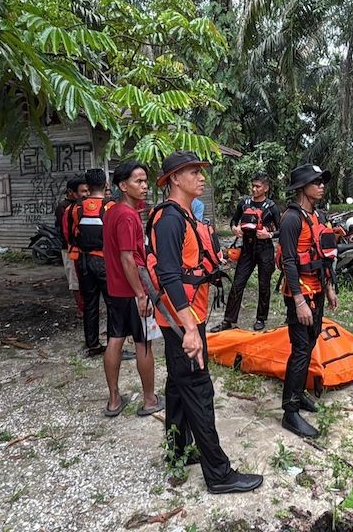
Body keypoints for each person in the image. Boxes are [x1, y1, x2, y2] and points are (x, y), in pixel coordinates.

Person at [148, 151, 262, 494]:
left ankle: (178, 449)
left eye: (201, 171)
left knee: (179, 385)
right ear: (174, 179)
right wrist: (190, 330)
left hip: (186, 318)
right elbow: (168, 274)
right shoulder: (170, 219)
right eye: (194, 172)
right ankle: (219, 474)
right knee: (199, 389)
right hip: (183, 321)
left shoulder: (183, 216)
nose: (201, 177)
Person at [278, 164, 338, 439]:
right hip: (299, 294)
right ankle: (289, 412)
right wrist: (300, 301)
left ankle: (298, 394)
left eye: (322, 181)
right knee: (301, 348)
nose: (321, 186)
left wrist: (329, 289)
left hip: (317, 290)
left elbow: (323, 257)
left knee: (311, 341)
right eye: (316, 182)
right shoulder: (291, 219)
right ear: (302, 187)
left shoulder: (318, 216)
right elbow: (289, 261)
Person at [101, 161, 163, 418]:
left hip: (114, 288)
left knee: (115, 339)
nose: (145, 186)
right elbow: (128, 257)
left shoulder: (113, 211)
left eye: (145, 181)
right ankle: (149, 399)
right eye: (138, 181)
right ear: (123, 185)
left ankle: (114, 400)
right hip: (133, 288)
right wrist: (141, 294)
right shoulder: (127, 216)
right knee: (143, 343)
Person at [211, 174, 281, 332]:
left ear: (266, 188)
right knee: (237, 283)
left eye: (258, 186)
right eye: (253, 186)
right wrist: (234, 229)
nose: (255, 189)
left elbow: (281, 230)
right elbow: (233, 221)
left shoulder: (271, 207)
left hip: (265, 250)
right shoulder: (244, 203)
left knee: (264, 286)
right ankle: (229, 320)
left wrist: (268, 234)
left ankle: (261, 319)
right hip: (247, 249)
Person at [73, 169, 113, 356]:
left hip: (84, 260)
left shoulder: (76, 208)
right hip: (105, 261)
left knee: (90, 303)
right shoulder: (110, 206)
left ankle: (93, 344)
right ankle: (114, 345)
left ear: (87, 187)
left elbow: (69, 234)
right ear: (105, 184)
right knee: (113, 304)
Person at [56, 178, 88, 314]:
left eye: (87, 190)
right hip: (70, 248)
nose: (86, 194)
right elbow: (66, 231)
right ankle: (82, 309)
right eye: (83, 191)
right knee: (75, 279)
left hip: (83, 248)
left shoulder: (82, 205)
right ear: (71, 192)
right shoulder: (64, 207)